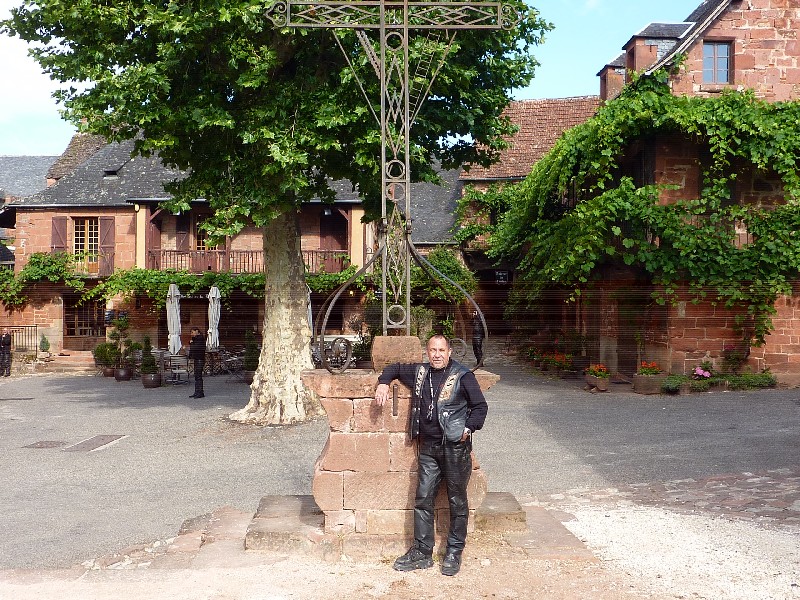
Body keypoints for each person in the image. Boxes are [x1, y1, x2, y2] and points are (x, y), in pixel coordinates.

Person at [374, 334, 488, 576]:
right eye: (433, 350)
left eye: (441, 350)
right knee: (423, 499)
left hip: (455, 448)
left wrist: (467, 429)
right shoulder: (420, 372)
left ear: (449, 352)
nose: (436, 355)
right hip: (428, 448)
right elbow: (394, 368)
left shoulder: (463, 375)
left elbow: (480, 407)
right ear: (427, 352)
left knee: (457, 501)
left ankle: (454, 552)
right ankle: (422, 552)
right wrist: (383, 382)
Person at [187, 327, 206, 398]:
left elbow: (195, 348)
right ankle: (196, 392)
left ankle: (200, 392)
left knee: (198, 376)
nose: (191, 334)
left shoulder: (200, 339)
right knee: (196, 376)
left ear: (197, 331)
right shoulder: (196, 339)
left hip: (200, 359)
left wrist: (191, 343)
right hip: (197, 359)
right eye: (191, 332)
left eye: (192, 332)